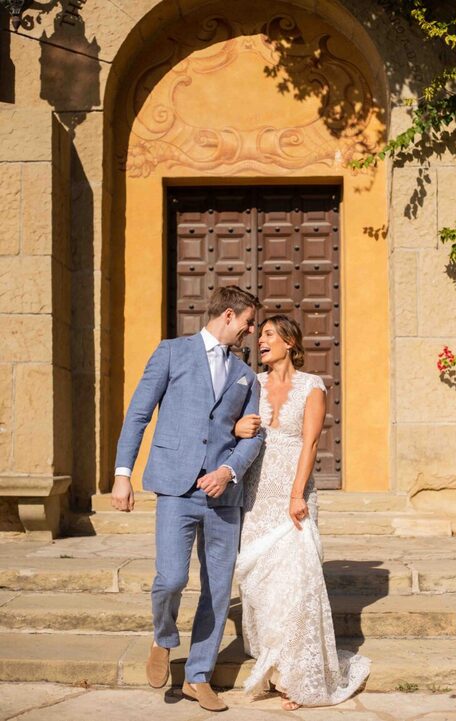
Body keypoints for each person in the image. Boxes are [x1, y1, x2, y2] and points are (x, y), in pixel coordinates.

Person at [111, 286, 264, 713]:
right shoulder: (171, 352)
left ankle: (198, 676)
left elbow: (253, 437)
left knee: (217, 590)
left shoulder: (245, 375)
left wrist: (228, 470)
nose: (251, 332)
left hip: (223, 495)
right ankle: (163, 636)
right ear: (229, 316)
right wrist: (123, 475)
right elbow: (139, 413)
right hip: (176, 487)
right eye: (249, 322)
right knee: (172, 578)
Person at [234, 315, 370, 711]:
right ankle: (275, 669)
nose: (261, 341)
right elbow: (231, 426)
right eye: (259, 335)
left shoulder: (312, 386)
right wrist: (239, 426)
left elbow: (309, 445)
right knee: (262, 584)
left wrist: (297, 495)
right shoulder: (251, 384)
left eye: (269, 335)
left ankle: (298, 676)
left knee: (295, 584)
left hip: (292, 493)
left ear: (290, 343)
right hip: (255, 493)